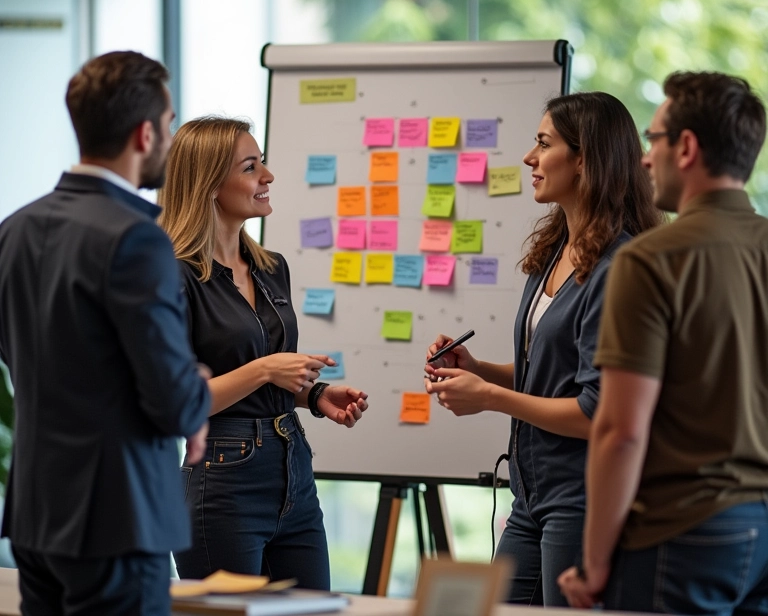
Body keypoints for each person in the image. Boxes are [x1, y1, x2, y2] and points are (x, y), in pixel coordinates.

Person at [424, 91, 661, 606]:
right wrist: (480, 369)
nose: (529, 158)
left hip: (582, 499)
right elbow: (553, 372)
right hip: (531, 498)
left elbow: (596, 412)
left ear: (584, 159)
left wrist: (486, 395)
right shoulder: (556, 249)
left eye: (543, 143)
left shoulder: (618, 267)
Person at [0, 51, 211, 616]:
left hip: (36, 514)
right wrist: (195, 384)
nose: (170, 137)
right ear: (145, 134)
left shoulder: (14, 230)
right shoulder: (137, 239)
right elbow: (171, 400)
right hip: (117, 517)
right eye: (169, 125)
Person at [559, 72, 768, 614]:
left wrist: (595, 562)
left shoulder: (651, 259)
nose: (646, 159)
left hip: (683, 530)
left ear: (688, 147)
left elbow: (620, 430)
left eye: (654, 140)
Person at [158, 116, 369, 588]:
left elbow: (263, 376)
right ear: (210, 184)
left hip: (292, 464)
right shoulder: (173, 277)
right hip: (221, 477)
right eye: (251, 167)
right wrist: (265, 368)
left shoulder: (272, 267)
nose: (268, 177)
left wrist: (313, 396)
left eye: (264, 163)